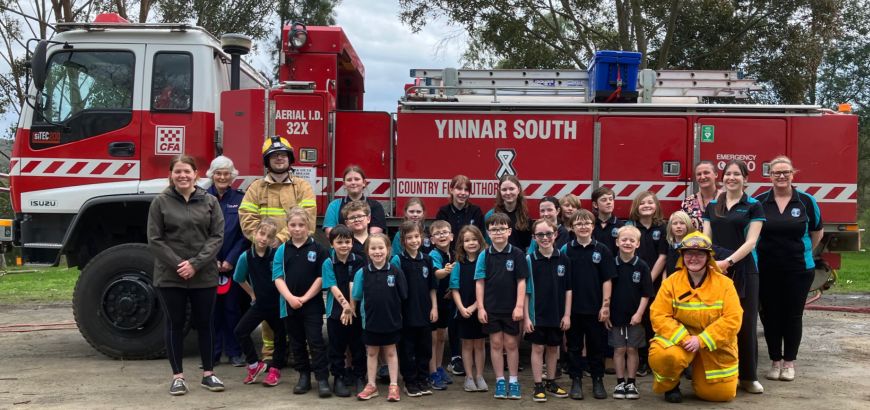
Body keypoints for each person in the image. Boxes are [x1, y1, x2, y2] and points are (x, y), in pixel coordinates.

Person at [147, 155, 225, 396]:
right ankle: (178, 377)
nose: (182, 176)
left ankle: (208, 374)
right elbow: (155, 239)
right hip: (170, 276)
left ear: (196, 174)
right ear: (171, 175)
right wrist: (180, 264)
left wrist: (196, 264)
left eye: (187, 171)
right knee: (175, 324)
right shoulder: (160, 202)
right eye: (178, 172)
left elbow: (217, 236)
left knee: (205, 324)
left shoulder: (210, 201)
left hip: (204, 275)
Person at [239, 136, 317, 361]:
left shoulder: (302, 187)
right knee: (268, 304)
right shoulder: (256, 188)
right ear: (267, 160)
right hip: (267, 256)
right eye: (274, 156)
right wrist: (263, 240)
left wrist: (279, 238)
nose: (279, 158)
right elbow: (247, 219)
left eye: (283, 155)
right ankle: (271, 353)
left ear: (290, 159)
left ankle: (300, 350)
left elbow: (308, 221)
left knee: (298, 300)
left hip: (296, 253)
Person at [648, 232, 742, 403]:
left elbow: (733, 319)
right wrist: (684, 339)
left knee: (721, 395)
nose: (693, 258)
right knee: (667, 356)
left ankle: (698, 373)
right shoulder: (671, 283)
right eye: (689, 253)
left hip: (712, 344)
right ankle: (671, 385)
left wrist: (702, 340)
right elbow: (659, 315)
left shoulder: (725, 284)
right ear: (682, 256)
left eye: (699, 254)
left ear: (708, 257)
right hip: (680, 342)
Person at [754, 155, 823, 382]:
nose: (781, 176)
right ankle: (775, 362)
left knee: (793, 316)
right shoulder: (759, 201)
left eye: (786, 172)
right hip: (766, 268)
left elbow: (817, 231)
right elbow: (751, 234)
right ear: (770, 176)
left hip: (799, 269)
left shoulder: (806, 201)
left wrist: (803, 253)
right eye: (776, 173)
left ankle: (789, 363)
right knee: (770, 315)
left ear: (793, 174)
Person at [703, 160, 765, 394]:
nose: (731, 177)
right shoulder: (712, 206)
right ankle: (719, 374)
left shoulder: (753, 206)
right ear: (722, 178)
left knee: (745, 323)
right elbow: (706, 237)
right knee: (715, 320)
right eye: (728, 174)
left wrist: (728, 262)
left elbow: (751, 241)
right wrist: (711, 262)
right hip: (716, 268)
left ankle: (748, 377)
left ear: (745, 179)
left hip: (744, 269)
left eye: (737, 174)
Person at [272, 208, 331, 398]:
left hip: (311, 304)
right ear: (287, 227)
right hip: (289, 304)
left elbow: (322, 277)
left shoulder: (319, 250)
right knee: (296, 342)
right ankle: (303, 376)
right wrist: (289, 297)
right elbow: (278, 277)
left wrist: (305, 298)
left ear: (309, 226)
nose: (297, 229)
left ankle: (322, 379)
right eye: (293, 225)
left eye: (301, 225)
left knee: (315, 341)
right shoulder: (281, 250)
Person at [560, 209, 614, 400]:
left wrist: (605, 306)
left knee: (596, 347)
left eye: (587, 223)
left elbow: (607, 280)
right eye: (579, 224)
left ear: (593, 226)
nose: (583, 227)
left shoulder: (602, 250)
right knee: (573, 347)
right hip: (573, 309)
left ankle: (597, 380)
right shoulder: (566, 250)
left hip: (595, 309)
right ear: (572, 227)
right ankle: (576, 380)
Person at [475, 212, 529, 400]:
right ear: (488, 233)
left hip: (511, 309)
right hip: (491, 308)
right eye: (494, 229)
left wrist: (519, 306)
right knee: (496, 344)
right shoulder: (484, 255)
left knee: (512, 344)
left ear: (509, 231)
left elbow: (522, 281)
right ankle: (500, 380)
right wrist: (481, 307)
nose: (498, 232)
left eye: (502, 229)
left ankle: (513, 381)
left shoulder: (517, 254)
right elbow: (480, 282)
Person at [232, 219, 287, 387]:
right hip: (260, 305)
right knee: (240, 331)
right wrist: (252, 294)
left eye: (269, 236)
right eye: (262, 234)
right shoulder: (246, 257)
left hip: (277, 304)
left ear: (272, 240)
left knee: (281, 336)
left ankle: (275, 370)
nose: (264, 239)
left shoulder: (276, 254)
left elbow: (284, 276)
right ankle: (255, 365)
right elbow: (238, 278)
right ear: (254, 234)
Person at [352, 233, 407, 402]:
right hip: (370, 321)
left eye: (381, 248)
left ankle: (393, 385)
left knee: (391, 352)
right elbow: (356, 295)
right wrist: (352, 310)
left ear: (388, 249)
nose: (377, 252)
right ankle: (371, 385)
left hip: (391, 320)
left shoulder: (395, 271)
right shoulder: (362, 273)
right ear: (367, 251)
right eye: (373, 248)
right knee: (371, 352)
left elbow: (403, 295)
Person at [523, 219, 572, 402]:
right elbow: (526, 292)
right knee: (537, 348)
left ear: (555, 234)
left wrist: (567, 314)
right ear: (534, 237)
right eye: (540, 235)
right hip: (537, 315)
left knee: (553, 349)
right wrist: (526, 317)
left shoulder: (564, 259)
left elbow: (568, 289)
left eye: (548, 234)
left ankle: (551, 382)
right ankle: (538, 385)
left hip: (557, 314)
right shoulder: (529, 260)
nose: (545, 238)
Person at [206, 155, 247, 368]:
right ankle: (211, 354)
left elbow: (244, 235)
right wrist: (210, 259)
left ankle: (234, 352)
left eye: (226, 174)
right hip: (206, 266)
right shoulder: (200, 198)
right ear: (212, 175)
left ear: (232, 177)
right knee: (211, 311)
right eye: (218, 173)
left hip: (232, 266)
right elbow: (197, 234)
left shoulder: (241, 199)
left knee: (232, 310)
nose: (222, 177)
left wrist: (231, 260)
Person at [391, 221, 438, 398]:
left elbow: (432, 287)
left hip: (424, 312)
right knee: (407, 349)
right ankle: (410, 381)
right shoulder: (398, 260)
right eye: (409, 237)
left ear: (422, 238)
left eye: (416, 236)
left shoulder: (427, 259)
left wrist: (434, 307)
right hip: (406, 314)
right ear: (403, 240)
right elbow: (395, 289)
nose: (413, 240)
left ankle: (423, 379)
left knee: (424, 348)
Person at [607, 226, 653, 400]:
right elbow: (606, 290)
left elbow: (646, 293)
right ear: (617, 242)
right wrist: (607, 312)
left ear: (638, 244)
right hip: (615, 317)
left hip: (635, 318)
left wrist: (639, 314)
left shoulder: (642, 266)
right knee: (619, 349)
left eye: (631, 240)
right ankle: (620, 382)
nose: (627, 243)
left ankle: (631, 383)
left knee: (632, 349)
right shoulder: (611, 264)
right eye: (624, 240)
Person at [625, 191, 668, 377]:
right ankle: (640, 359)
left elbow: (663, 256)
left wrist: (648, 279)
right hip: (632, 283)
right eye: (642, 203)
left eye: (650, 202)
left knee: (653, 321)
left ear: (656, 206)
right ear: (636, 206)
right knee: (637, 321)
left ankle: (653, 359)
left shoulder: (663, 227)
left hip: (654, 282)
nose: (647, 206)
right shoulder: (630, 227)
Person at [322, 224, 367, 396]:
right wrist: (345, 306)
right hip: (335, 312)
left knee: (358, 346)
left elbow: (354, 284)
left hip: (355, 312)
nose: (344, 245)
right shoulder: (328, 262)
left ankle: (359, 377)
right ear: (332, 244)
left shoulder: (358, 260)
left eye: (347, 241)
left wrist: (351, 308)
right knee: (336, 347)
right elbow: (331, 285)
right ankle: (338, 378)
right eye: (339, 242)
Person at [450, 225, 488, 393]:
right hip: (463, 312)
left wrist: (475, 307)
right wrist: (461, 308)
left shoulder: (485, 261)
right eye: (467, 240)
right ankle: (469, 377)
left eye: (474, 239)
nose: (471, 243)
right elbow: (454, 288)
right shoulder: (459, 264)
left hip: (480, 310)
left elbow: (487, 288)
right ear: (461, 244)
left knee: (479, 345)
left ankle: (480, 375)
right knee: (466, 345)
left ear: (480, 241)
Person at [428, 220, 456, 389]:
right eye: (437, 234)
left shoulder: (453, 253)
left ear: (451, 236)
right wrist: (445, 271)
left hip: (447, 301)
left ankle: (439, 366)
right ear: (432, 239)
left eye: (445, 232)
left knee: (441, 337)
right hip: (434, 302)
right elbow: (436, 274)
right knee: (432, 338)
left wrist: (453, 289)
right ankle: (431, 371)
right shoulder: (433, 255)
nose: (442, 236)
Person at [324, 165, 387, 235]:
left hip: (366, 246)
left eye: (357, 179)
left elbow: (375, 233)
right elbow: (329, 232)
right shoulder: (334, 205)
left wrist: (359, 243)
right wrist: (347, 243)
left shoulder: (375, 206)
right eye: (349, 180)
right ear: (344, 184)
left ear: (364, 183)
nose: (353, 183)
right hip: (343, 245)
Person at [485, 175, 532, 250]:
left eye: (511, 189)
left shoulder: (525, 216)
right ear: (499, 191)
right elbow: (487, 244)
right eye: (504, 189)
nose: (508, 192)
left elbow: (528, 246)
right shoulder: (491, 215)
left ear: (518, 190)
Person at [436, 174, 486, 243]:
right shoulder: (443, 212)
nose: (463, 193)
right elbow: (439, 238)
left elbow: (481, 237)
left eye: (466, 190)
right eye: (459, 189)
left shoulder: (476, 211)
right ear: (451, 190)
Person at [681, 161, 719, 230]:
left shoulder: (726, 199)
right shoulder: (688, 202)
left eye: (706, 173)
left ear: (716, 174)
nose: (702, 177)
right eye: (699, 174)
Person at [591, 187, 624, 256]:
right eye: (604, 200)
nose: (609, 202)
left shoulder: (621, 226)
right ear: (595, 205)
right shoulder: (590, 224)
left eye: (611, 199)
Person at [664, 211, 697, 276]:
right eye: (675, 223)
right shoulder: (669, 245)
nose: (678, 226)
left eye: (682, 223)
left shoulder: (694, 245)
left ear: (688, 225)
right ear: (670, 227)